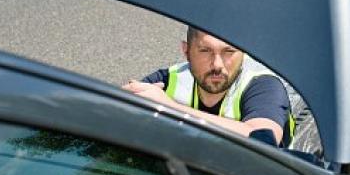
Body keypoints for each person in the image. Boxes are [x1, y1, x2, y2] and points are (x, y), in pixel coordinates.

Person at [123, 26, 295, 148]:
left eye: (229, 52)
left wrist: (169, 107)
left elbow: (264, 139)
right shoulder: (167, 79)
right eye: (205, 51)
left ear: (243, 52)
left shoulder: (264, 86)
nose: (217, 64)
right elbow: (117, 113)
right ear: (186, 51)